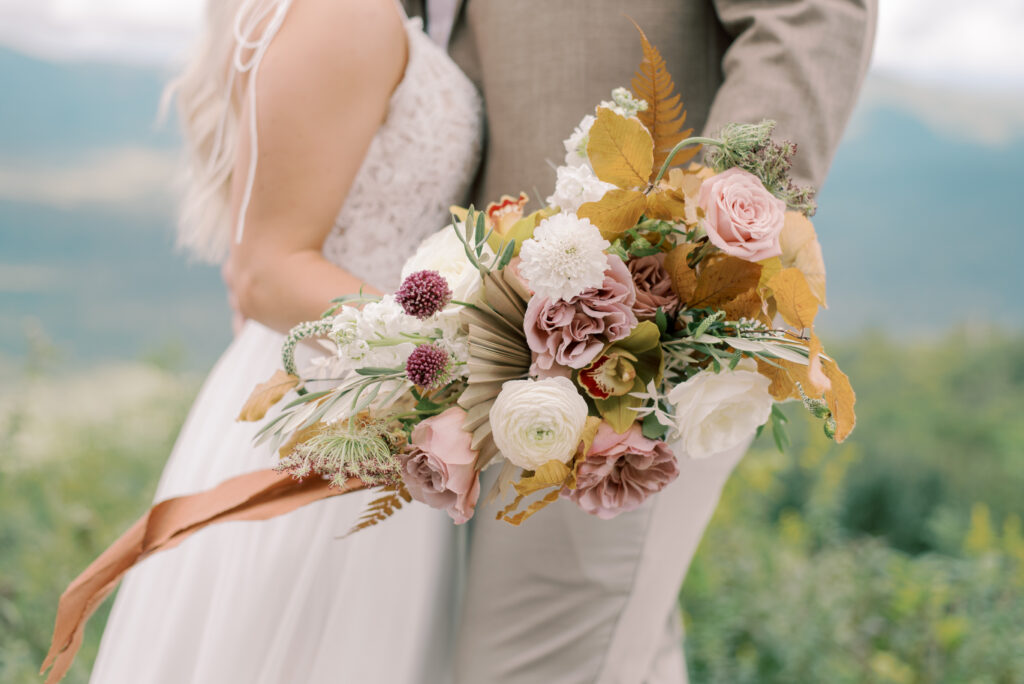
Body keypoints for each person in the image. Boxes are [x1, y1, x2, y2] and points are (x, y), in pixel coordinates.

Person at [400, 0, 877, 681]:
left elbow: (810, 15)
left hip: (627, 349)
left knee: (535, 663)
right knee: (619, 652)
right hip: (481, 337)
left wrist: (689, 264)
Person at [89, 0, 482, 681]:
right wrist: (443, 365)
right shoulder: (344, 11)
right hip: (332, 403)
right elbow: (265, 273)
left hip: (368, 394)